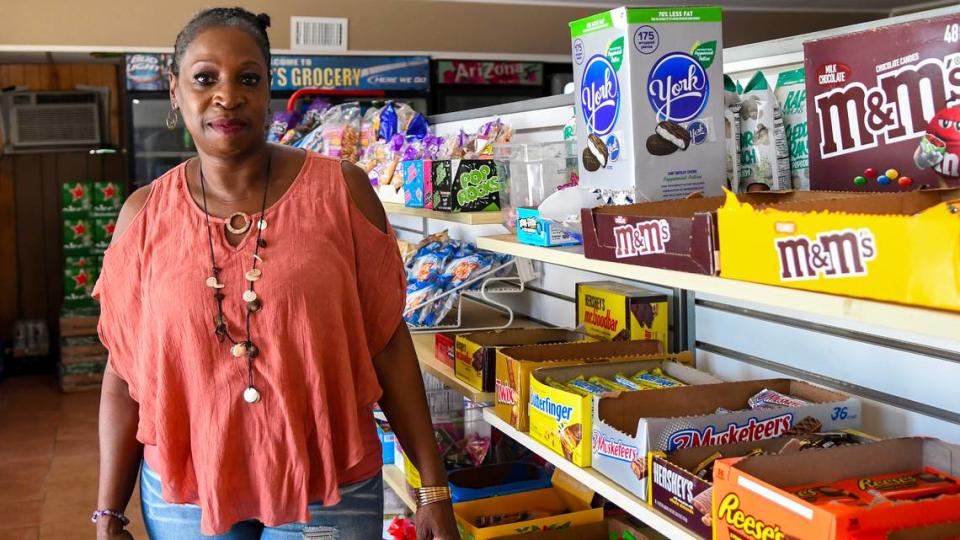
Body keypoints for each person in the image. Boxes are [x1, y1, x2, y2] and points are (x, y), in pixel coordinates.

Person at [93, 7, 459, 539]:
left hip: (327, 486)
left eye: (248, 78)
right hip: (188, 492)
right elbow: (123, 375)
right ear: (174, 91)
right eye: (204, 78)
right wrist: (108, 511)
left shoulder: (343, 192)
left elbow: (388, 346)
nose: (227, 95)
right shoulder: (144, 216)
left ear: (269, 89)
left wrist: (433, 487)